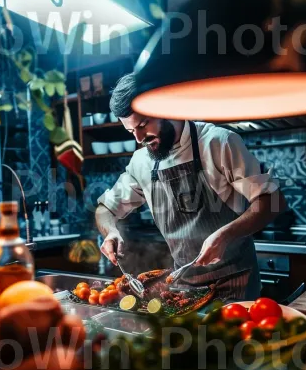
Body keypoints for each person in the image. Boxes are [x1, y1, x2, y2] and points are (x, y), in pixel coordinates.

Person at [95, 74, 287, 300]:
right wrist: (111, 232)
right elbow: (104, 210)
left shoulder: (218, 142)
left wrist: (226, 234)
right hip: (184, 289)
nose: (138, 138)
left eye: (143, 124)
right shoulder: (141, 162)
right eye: (130, 131)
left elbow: (272, 202)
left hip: (235, 283)